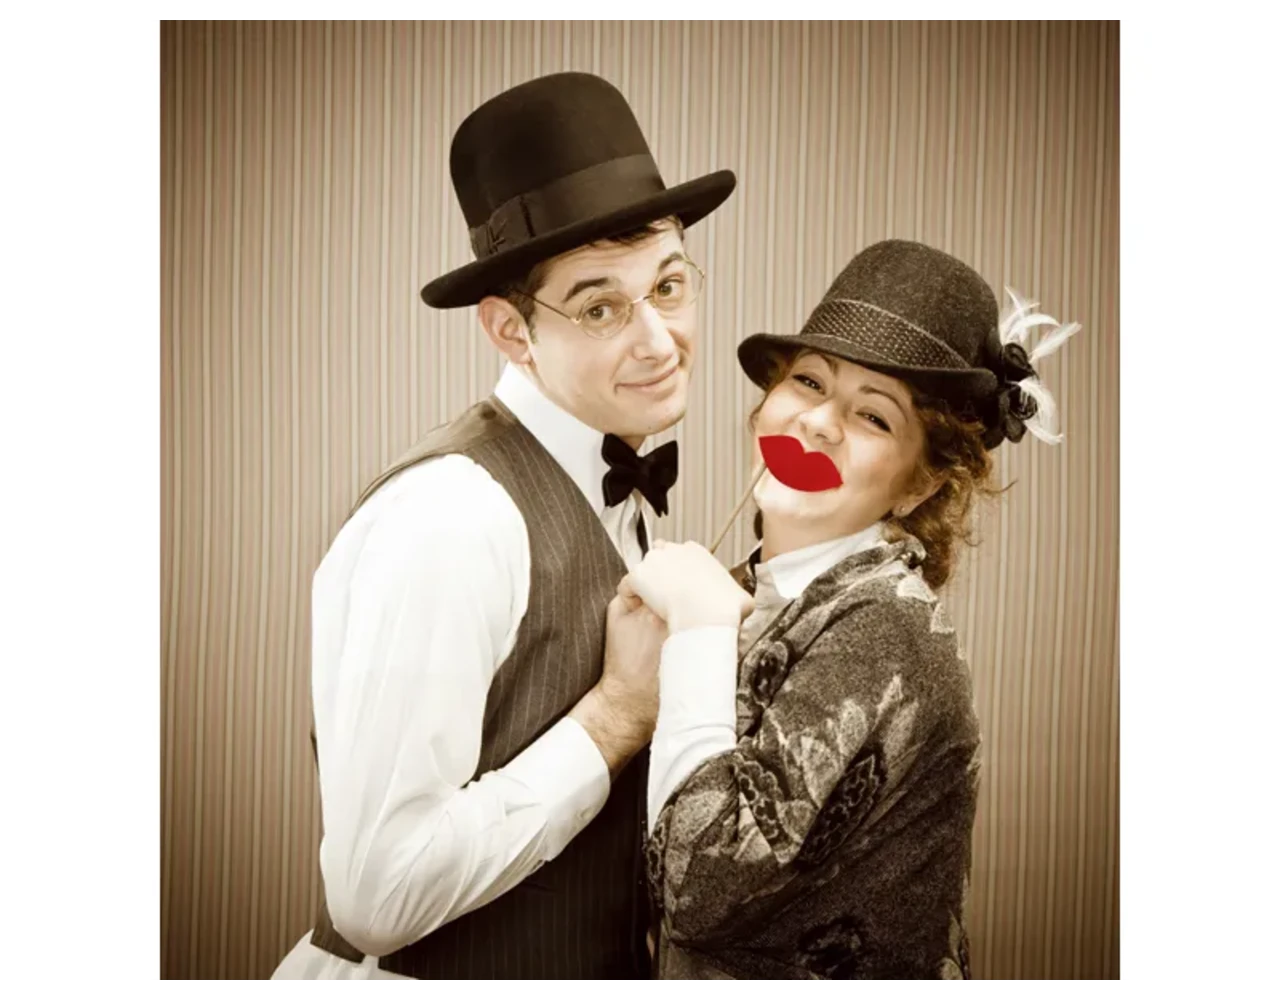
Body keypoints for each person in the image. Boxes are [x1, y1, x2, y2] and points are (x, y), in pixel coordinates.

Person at [269, 71, 736, 983]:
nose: (658, 339)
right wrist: (614, 716)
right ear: (511, 332)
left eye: (670, 285)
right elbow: (375, 895)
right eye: (600, 306)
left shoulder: (617, 480)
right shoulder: (449, 515)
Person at [617, 238, 1079, 982]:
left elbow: (698, 889)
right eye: (807, 382)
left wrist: (698, 629)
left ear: (919, 485)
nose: (818, 423)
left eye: (873, 417)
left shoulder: (888, 630)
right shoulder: (741, 589)